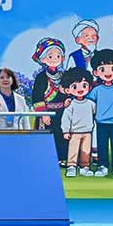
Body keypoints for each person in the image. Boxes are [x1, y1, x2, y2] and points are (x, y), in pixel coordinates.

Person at [30, 37, 68, 165]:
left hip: (62, 112)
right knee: (47, 135)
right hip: (47, 113)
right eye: (50, 56)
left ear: (62, 58)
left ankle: (62, 158)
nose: (54, 59)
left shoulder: (63, 76)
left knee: (61, 134)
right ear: (43, 59)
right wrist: (44, 113)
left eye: (58, 56)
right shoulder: (41, 77)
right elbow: (37, 97)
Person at [88, 49, 113, 177]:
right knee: (102, 145)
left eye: (112, 68)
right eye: (102, 69)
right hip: (101, 122)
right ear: (96, 72)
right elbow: (89, 102)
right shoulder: (96, 90)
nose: (108, 73)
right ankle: (102, 165)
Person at [59, 69, 96, 177]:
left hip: (88, 132)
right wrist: (66, 131)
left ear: (89, 87)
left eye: (84, 85)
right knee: (73, 150)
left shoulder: (91, 104)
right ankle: (71, 166)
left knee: (86, 151)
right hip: (74, 132)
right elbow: (66, 119)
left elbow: (95, 114)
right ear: (68, 90)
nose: (80, 89)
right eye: (75, 86)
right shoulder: (70, 104)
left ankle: (85, 167)